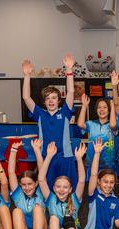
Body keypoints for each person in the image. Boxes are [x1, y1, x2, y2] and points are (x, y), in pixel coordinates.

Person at [22, 54, 77, 185]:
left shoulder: (65, 112)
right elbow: (26, 98)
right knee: (48, 188)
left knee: (68, 188)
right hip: (46, 157)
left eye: (54, 98)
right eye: (47, 98)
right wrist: (26, 76)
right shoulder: (40, 114)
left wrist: (69, 70)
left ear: (59, 100)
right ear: (44, 102)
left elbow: (70, 92)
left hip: (65, 156)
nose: (51, 101)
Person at [34, 140, 86, 229]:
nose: (61, 190)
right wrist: (49, 156)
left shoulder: (74, 197)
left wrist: (79, 159)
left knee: (68, 217)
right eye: (58, 187)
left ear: (70, 190)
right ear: (53, 188)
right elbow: (41, 179)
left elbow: (81, 180)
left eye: (65, 187)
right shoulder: (50, 198)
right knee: (54, 218)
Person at [8, 141, 47, 229]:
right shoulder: (18, 194)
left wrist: (36, 150)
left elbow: (42, 172)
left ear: (36, 184)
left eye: (30, 184)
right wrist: (14, 150)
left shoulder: (41, 191)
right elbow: (11, 173)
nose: (27, 187)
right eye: (23, 184)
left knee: (37, 208)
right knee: (16, 210)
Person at [77, 93, 116, 173]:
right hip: (92, 161)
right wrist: (84, 106)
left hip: (108, 163)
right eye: (99, 107)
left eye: (105, 107)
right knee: (91, 184)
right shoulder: (91, 124)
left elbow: (113, 125)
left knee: (107, 185)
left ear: (108, 110)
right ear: (96, 110)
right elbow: (80, 124)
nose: (101, 110)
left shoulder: (112, 124)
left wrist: (113, 108)